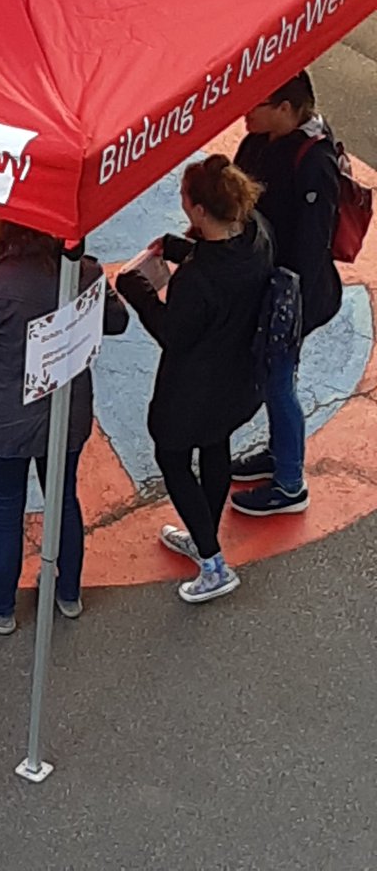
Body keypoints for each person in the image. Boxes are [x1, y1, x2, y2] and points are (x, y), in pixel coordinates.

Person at [0, 222, 128, 634]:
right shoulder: (84, 272)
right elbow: (117, 322)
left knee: (7, 510)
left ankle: (2, 607)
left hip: (6, 417)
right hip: (67, 411)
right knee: (63, 498)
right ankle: (69, 592)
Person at [117, 155, 272, 603]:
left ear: (200, 211)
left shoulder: (198, 282)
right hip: (237, 380)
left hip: (191, 393)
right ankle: (204, 531)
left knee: (174, 460)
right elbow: (227, 263)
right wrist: (181, 249)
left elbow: (172, 333)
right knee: (216, 445)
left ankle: (212, 562)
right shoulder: (256, 233)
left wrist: (138, 292)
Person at [229, 71, 341, 516]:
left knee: (278, 384)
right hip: (267, 284)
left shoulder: (315, 162)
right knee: (278, 381)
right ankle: (279, 453)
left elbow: (311, 249)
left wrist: (281, 310)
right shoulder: (260, 140)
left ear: (286, 109)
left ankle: (291, 483)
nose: (245, 112)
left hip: (291, 297)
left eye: (256, 104)